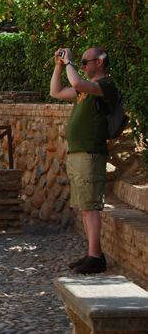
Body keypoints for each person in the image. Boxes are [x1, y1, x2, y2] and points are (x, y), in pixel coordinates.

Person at [50, 47, 118, 274]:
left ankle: (96, 257)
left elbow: (78, 84)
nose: (83, 65)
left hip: (90, 153)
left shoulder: (105, 86)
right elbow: (56, 92)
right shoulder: (85, 90)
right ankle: (92, 254)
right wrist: (59, 67)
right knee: (85, 207)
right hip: (79, 153)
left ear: (99, 62)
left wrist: (69, 63)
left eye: (85, 62)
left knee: (91, 206)